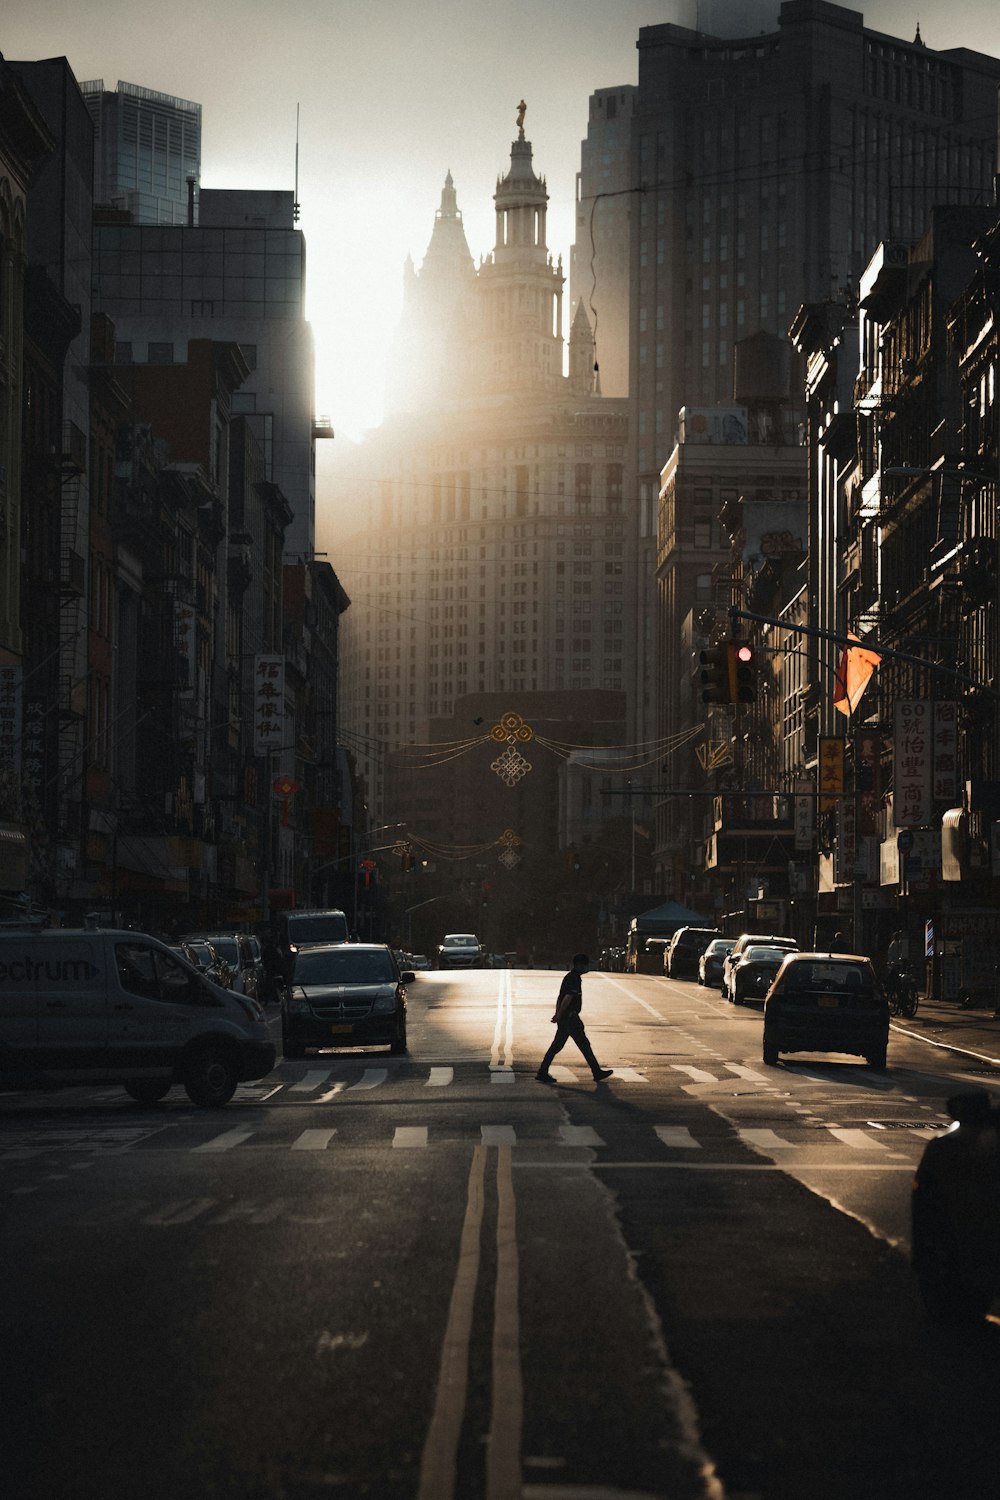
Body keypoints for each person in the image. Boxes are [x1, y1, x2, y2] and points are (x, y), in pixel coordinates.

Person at [536, 952, 613, 1083]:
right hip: (570, 1018)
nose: (587, 967)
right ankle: (596, 1072)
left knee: (557, 1046)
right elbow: (567, 998)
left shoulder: (570, 977)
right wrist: (559, 1014)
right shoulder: (574, 979)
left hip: (565, 1017)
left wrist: (558, 1014)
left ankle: (542, 1071)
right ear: (579, 965)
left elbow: (560, 998)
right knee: (584, 1045)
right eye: (585, 965)